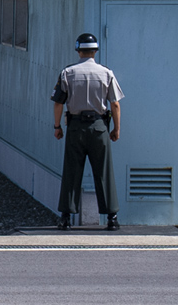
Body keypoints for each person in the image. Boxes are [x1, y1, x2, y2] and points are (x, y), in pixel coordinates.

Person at [51, 33, 124, 231]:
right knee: (104, 171)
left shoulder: (68, 73)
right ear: (95, 51)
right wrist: (116, 128)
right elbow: (115, 104)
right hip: (99, 127)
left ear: (78, 50)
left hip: (75, 127)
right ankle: (112, 217)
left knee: (72, 170)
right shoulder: (106, 73)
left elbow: (59, 102)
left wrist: (57, 126)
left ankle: (65, 217)